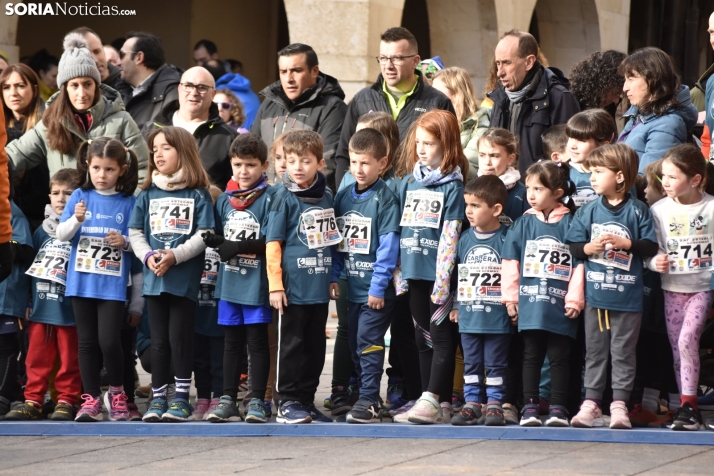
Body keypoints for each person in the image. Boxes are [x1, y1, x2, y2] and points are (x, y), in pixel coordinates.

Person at [566, 143, 658, 429]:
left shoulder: (639, 210)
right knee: (594, 351)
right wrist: (589, 246)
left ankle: (619, 405)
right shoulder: (589, 211)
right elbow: (573, 247)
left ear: (619, 176)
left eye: (598, 172)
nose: (592, 177)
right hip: (596, 296)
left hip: (628, 297)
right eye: (590, 172)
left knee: (623, 352)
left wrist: (626, 244)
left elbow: (650, 245)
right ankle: (591, 403)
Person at [129, 127, 214, 422]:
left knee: (180, 339)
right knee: (159, 341)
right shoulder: (147, 193)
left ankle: (180, 398)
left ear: (184, 152)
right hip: (154, 280)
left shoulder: (198, 194)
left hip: (183, 280)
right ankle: (158, 397)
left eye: (165, 147)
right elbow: (135, 232)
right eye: (155, 149)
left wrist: (175, 256)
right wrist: (149, 255)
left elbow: (205, 233)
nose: (158, 154)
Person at [55, 137, 139, 422]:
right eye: (97, 168)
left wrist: (124, 241)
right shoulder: (79, 196)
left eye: (109, 170)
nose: (102, 175)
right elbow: (62, 235)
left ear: (123, 170)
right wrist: (76, 219)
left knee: (110, 342)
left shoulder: (129, 202)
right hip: (81, 283)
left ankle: (117, 394)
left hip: (113, 286)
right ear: (87, 166)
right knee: (87, 343)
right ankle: (90, 398)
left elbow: (139, 241)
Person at [392, 110, 467, 424]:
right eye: (419, 142)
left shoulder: (453, 186)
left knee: (441, 338)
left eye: (430, 144)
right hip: (413, 271)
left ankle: (436, 396)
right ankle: (428, 398)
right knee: (421, 337)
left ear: (447, 145)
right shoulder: (409, 182)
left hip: (438, 275)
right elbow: (399, 228)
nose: (422, 149)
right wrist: (399, 274)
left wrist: (443, 278)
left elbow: (451, 234)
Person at [501, 160, 584, 427]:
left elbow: (579, 264)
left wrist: (574, 299)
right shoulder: (522, 224)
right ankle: (529, 406)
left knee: (560, 357)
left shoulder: (572, 223)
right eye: (529, 188)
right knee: (531, 355)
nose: (531, 195)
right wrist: (511, 298)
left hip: (561, 305)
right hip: (530, 303)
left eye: (538, 189)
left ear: (558, 193)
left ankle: (559, 407)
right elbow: (510, 261)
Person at [6, 34, 150, 185]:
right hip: (66, 207)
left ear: (96, 86)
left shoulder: (121, 120)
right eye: (74, 85)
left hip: (111, 208)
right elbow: (15, 155)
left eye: (87, 84)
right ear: (65, 89)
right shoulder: (50, 122)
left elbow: (142, 169)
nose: (82, 93)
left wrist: (126, 206)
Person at [328, 128, 401, 423]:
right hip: (351, 285)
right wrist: (334, 275)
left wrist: (378, 287)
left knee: (369, 340)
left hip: (376, 290)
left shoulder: (386, 199)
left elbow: (388, 248)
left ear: (382, 163)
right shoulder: (343, 196)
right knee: (356, 344)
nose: (358, 169)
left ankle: (369, 400)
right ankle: (365, 394)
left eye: (366, 163)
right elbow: (335, 243)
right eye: (354, 162)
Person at [201, 133, 274, 423]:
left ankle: (258, 400)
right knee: (230, 342)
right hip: (229, 281)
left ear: (264, 165)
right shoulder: (225, 201)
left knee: (256, 341)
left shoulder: (271, 198)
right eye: (238, 165)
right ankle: (227, 398)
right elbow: (222, 239)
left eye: (250, 165)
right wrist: (215, 240)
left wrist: (239, 246)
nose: (243, 172)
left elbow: (272, 238)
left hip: (257, 284)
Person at [266, 130, 336, 424]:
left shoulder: (327, 196)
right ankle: (286, 401)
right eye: (291, 160)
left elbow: (332, 240)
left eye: (305, 161)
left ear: (320, 163)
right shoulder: (283, 196)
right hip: (292, 290)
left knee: (315, 348)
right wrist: (275, 286)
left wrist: (333, 276)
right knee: (291, 346)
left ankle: (306, 399)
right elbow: (273, 244)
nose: (297, 167)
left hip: (318, 287)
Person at [4, 169, 81, 421]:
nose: (61, 198)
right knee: (35, 357)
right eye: (56, 193)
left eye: (68, 193)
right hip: (40, 309)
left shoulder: (81, 232)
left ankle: (66, 399)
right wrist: (27, 300)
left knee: (69, 358)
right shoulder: (40, 232)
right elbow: (29, 270)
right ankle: (33, 400)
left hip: (68, 311)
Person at [335, 27, 454, 187]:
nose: (388, 66)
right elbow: (344, 154)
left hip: (416, 197)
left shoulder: (438, 102)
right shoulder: (361, 100)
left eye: (396, 58)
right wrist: (346, 192)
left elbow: (451, 155)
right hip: (368, 198)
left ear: (415, 61)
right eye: (383, 58)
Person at [649, 144, 714, 431]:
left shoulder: (711, 207)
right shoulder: (659, 210)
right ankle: (687, 409)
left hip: (702, 287)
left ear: (696, 179)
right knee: (679, 349)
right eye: (664, 176)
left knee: (688, 340)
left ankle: (690, 405)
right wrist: (654, 263)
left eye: (673, 177)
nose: (665, 182)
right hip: (672, 288)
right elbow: (653, 250)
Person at [448, 175, 510, 426]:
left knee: (496, 362)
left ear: (496, 209)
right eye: (467, 205)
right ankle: (472, 403)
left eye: (476, 206)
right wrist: (455, 305)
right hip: (469, 315)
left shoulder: (508, 238)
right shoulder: (463, 239)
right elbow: (458, 275)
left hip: (497, 316)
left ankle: (495, 403)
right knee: (471, 361)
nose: (469, 211)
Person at [251, 43, 347, 191]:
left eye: (296, 71)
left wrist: (297, 200)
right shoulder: (268, 104)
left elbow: (328, 165)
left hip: (306, 202)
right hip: (265, 199)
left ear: (314, 71)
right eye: (283, 71)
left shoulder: (333, 108)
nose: (289, 78)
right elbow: (252, 153)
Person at [488, 30, 580, 178]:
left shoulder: (559, 97)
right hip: (502, 192)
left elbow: (570, 157)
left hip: (540, 194)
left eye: (506, 63)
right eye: (498, 63)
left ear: (529, 62)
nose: (499, 72)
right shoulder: (500, 98)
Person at [143, 67, 238, 190]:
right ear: (179, 89)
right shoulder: (151, 130)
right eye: (188, 86)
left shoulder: (229, 138)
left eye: (202, 87)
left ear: (213, 94)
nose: (194, 93)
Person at [618, 47, 698, 173]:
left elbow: (649, 178)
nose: (625, 88)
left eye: (631, 79)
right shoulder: (639, 115)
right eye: (625, 80)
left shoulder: (668, 124)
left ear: (653, 79)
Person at [190, 185, 224, 421]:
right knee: (199, 358)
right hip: (197, 310)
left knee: (219, 358)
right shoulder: (193, 239)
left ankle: (218, 397)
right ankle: (202, 397)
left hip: (219, 310)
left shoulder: (223, 239)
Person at [1, 63, 49, 228]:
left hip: (43, 216)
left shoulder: (48, 124)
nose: (13, 93)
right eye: (6, 87)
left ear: (35, 89)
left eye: (20, 86)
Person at [0, 201, 33, 417]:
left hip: (6, 295)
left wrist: (6, 244)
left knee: (5, 346)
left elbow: (25, 250)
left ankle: (3, 394)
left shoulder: (12, 213)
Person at [114, 31, 181, 131]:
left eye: (122, 55)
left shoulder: (172, 91)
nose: (118, 62)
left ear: (139, 57)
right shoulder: (120, 89)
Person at [432, 67, 491, 179]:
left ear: (457, 94)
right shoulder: (433, 121)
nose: (433, 98)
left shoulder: (480, 123)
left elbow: (471, 169)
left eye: (437, 93)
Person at [476, 128, 530, 226]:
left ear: (510, 159)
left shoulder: (523, 195)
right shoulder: (470, 189)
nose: (487, 162)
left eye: (494, 156)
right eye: (482, 155)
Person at [565, 110, 618, 208]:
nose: (572, 146)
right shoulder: (563, 172)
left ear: (603, 145)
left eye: (582, 140)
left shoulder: (617, 177)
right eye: (571, 138)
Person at [568, 50, 627, 120]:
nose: (616, 100)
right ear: (601, 84)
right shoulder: (569, 101)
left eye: (620, 94)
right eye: (615, 93)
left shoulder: (610, 106)